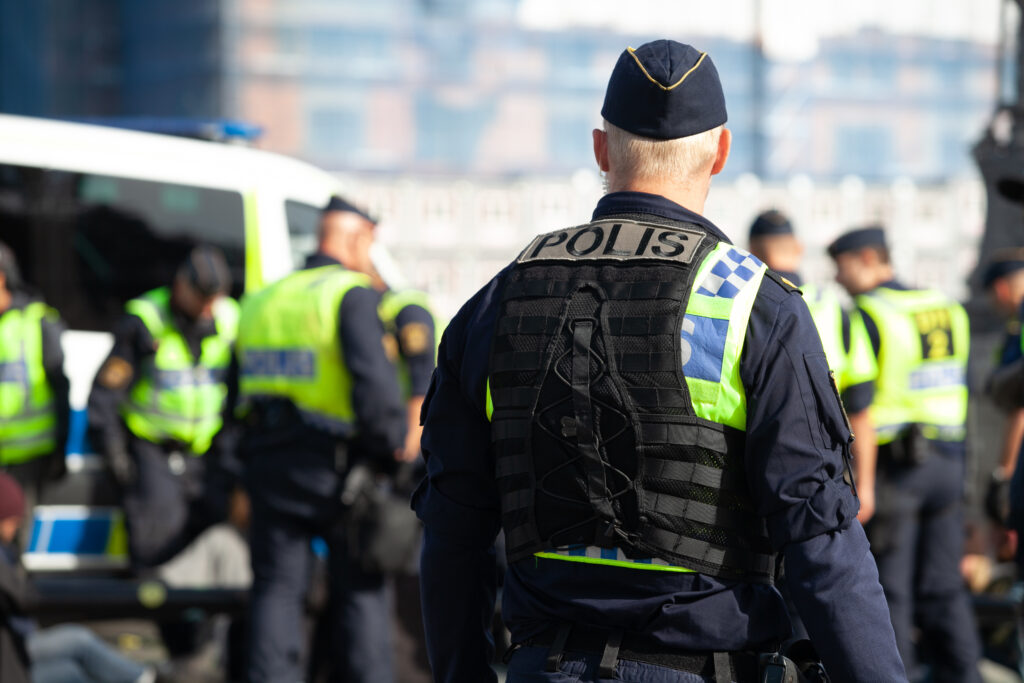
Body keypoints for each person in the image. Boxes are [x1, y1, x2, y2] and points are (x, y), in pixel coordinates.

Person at [414, 39, 904, 683]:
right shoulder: (754, 305)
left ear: (600, 148)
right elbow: (821, 544)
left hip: (543, 666)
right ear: (721, 152)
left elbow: (452, 533)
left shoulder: (501, 299)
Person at [235, 196, 407, 683]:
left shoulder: (263, 299)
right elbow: (373, 389)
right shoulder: (349, 295)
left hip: (269, 464)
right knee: (362, 593)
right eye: (369, 244)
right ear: (354, 238)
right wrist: (392, 452)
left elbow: (236, 391)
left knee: (276, 590)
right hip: (338, 471)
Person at [828, 226, 981, 682]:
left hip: (897, 468)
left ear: (869, 258)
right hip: (949, 461)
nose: (838, 278)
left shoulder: (869, 312)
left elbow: (861, 401)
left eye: (843, 266)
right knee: (943, 588)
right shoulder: (947, 306)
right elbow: (965, 387)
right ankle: (964, 674)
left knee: (890, 589)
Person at [87, 246, 238, 570]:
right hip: (152, 449)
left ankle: (198, 618)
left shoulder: (229, 318)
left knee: (210, 535)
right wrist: (115, 453)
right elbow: (105, 394)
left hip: (205, 453)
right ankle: (159, 611)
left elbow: (237, 392)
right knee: (155, 540)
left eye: (216, 300)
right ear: (181, 286)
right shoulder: (145, 321)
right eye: (203, 298)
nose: (209, 308)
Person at [747, 210, 878, 522]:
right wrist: (866, 486)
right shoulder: (836, 307)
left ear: (751, 251)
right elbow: (860, 410)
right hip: (828, 471)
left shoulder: (745, 301)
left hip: (758, 466)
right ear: (798, 248)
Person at [0, 472, 159, 683]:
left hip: (16, 650)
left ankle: (142, 677)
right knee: (77, 648)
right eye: (14, 520)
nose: (17, 526)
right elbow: (24, 598)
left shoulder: (6, 553)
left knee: (74, 662)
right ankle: (145, 678)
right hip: (15, 652)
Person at [0, 241, 70, 533]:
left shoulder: (36, 320)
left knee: (9, 550)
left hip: (24, 462)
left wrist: (59, 451)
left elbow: (60, 388)